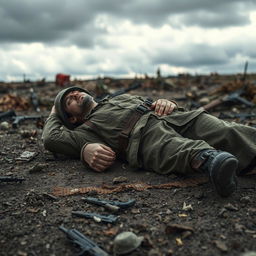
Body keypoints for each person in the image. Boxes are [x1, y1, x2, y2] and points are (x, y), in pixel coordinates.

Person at [42, 86, 256, 197]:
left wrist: (166, 102)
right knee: (175, 147)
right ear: (71, 118)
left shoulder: (118, 98)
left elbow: (154, 103)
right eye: (69, 100)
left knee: (225, 129)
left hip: (171, 117)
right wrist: (54, 111)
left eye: (75, 91)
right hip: (141, 137)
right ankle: (212, 162)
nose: (75, 94)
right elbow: (50, 138)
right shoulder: (83, 132)